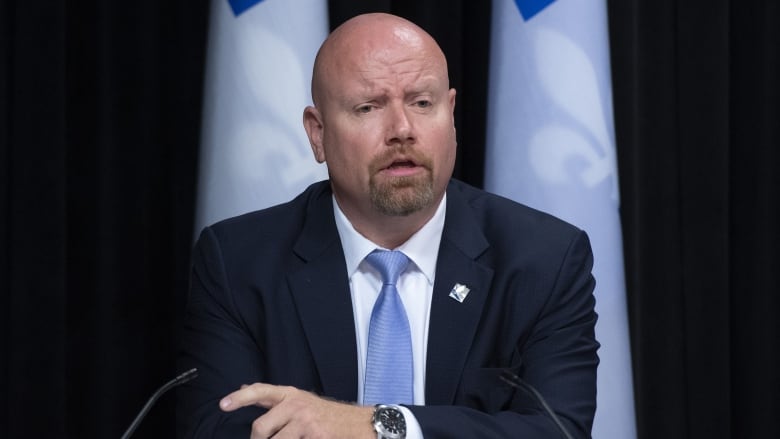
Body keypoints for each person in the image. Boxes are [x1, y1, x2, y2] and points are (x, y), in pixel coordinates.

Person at [177, 12, 599, 439]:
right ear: (317, 133)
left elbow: (557, 431)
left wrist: (378, 425)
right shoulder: (238, 261)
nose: (402, 130)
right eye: (368, 107)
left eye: (421, 103)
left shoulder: (544, 261)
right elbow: (219, 429)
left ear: (451, 116)